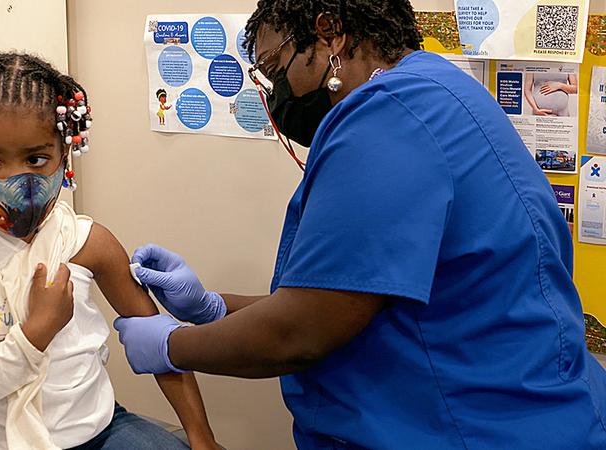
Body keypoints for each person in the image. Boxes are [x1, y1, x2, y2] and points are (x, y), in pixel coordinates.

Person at [113, 1, 606, 449]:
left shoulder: (388, 118)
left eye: (272, 68)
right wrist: (214, 307)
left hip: (467, 426)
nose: (275, 93)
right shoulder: (440, 89)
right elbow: (353, 296)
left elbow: (302, 329)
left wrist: (170, 345)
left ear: (330, 33)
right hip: (526, 407)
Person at [0, 53, 219, 450]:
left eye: (37, 159)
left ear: (66, 154)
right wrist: (35, 334)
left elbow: (160, 345)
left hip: (101, 430)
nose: (13, 179)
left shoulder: (88, 243)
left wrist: (201, 437)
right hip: (2, 440)